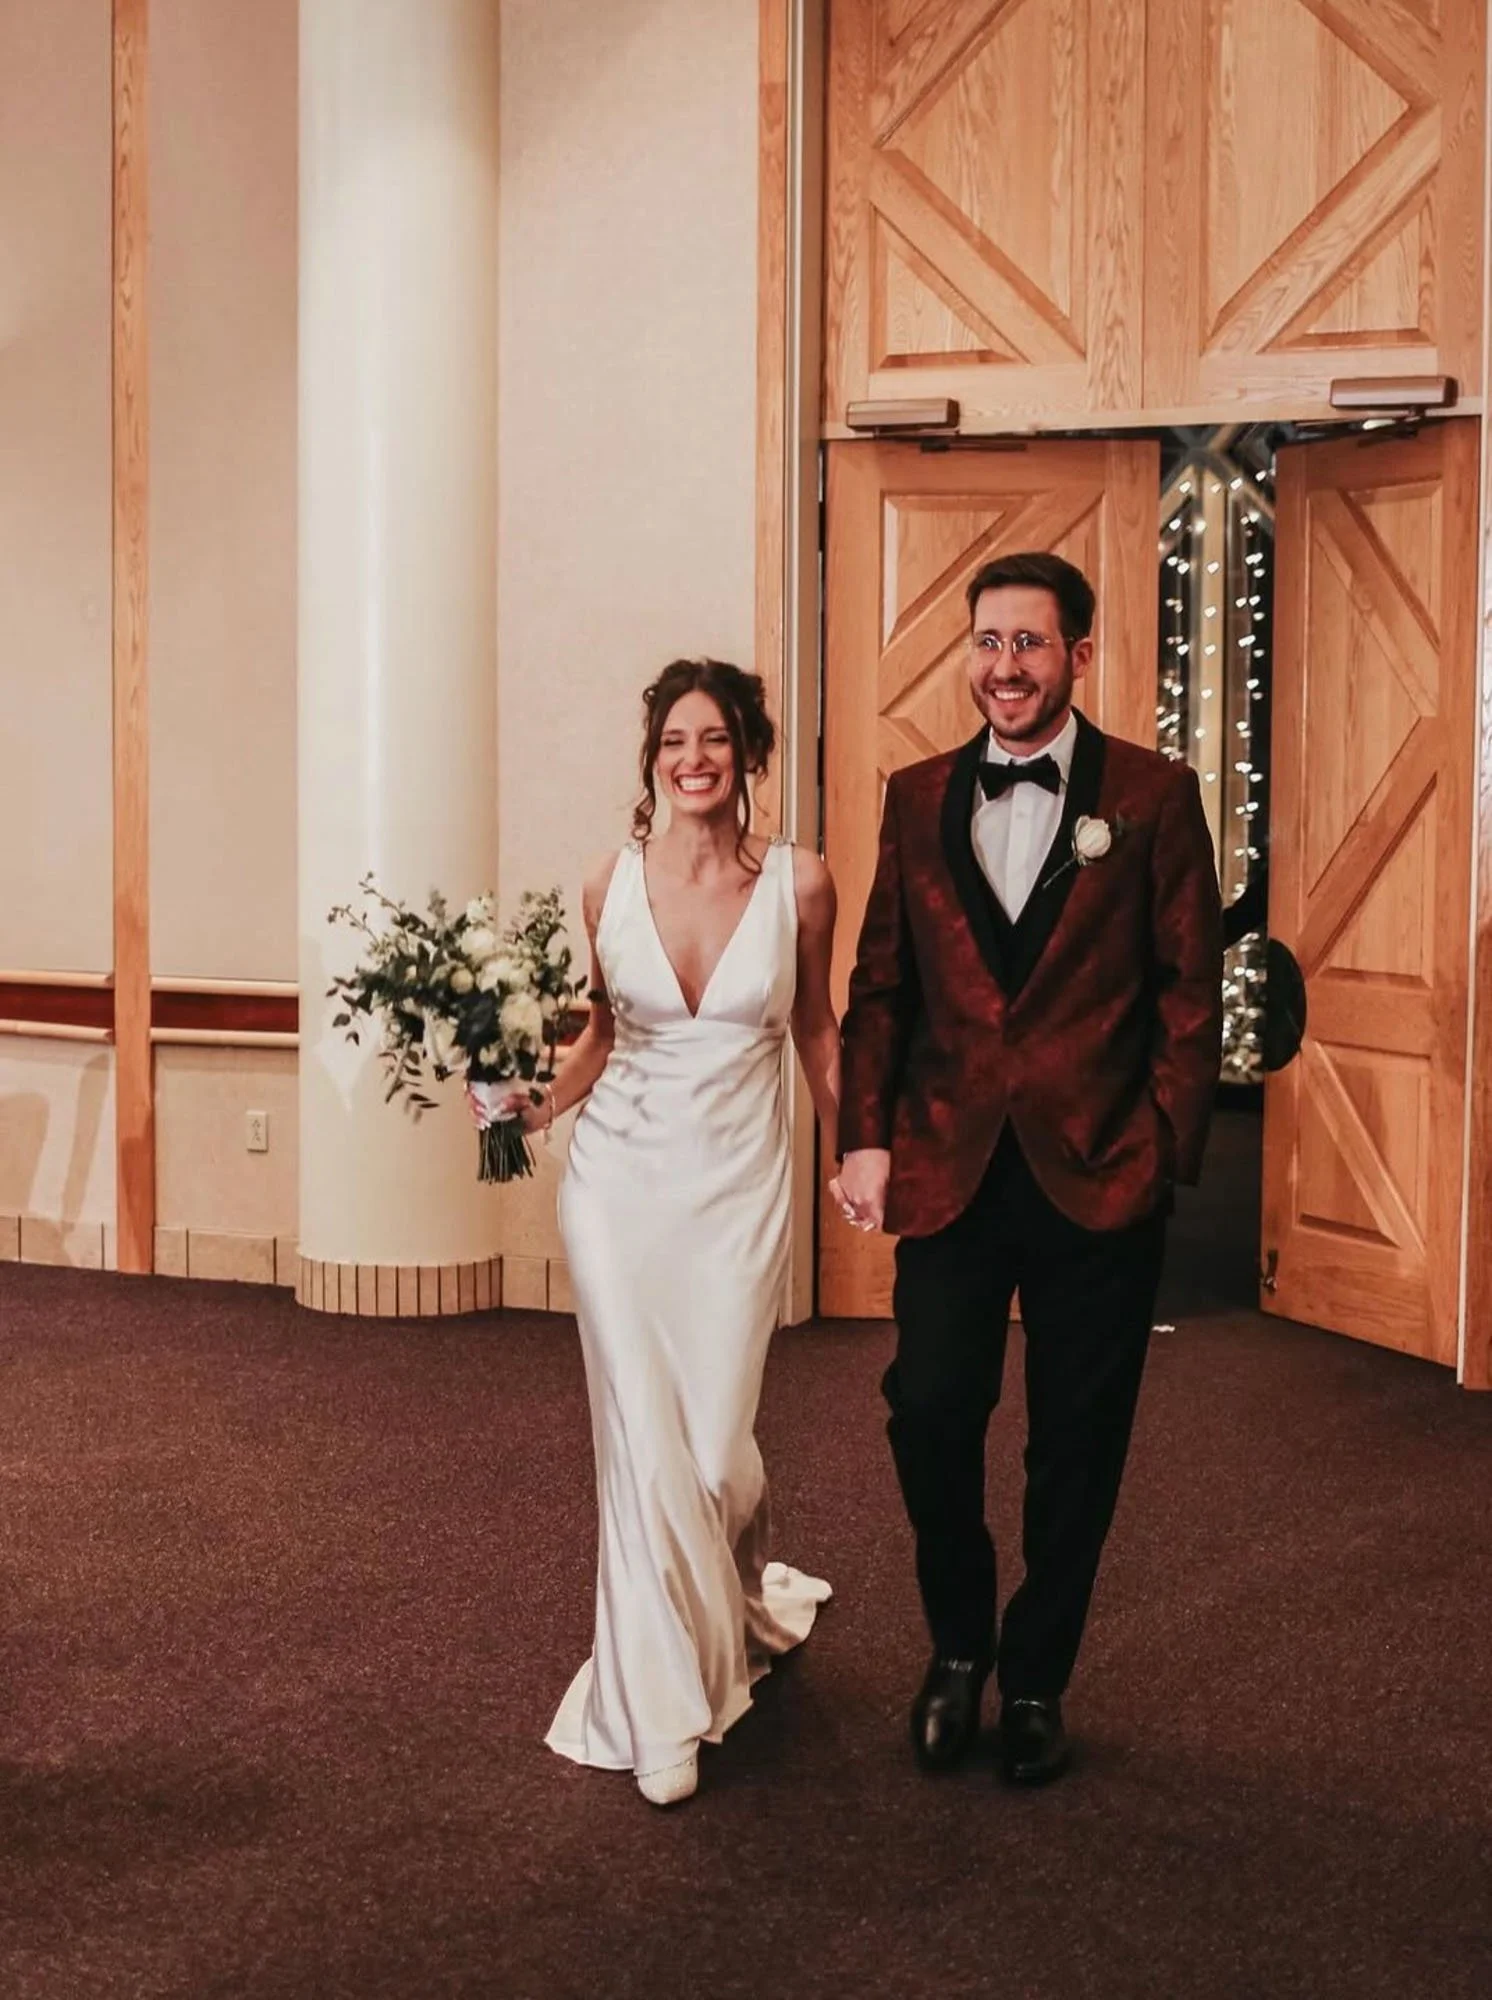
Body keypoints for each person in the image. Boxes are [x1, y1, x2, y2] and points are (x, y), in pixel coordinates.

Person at [833, 551, 1222, 1787]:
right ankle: (957, 1648)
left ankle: (1037, 1674)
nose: (1005, 667)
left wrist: (1163, 1143)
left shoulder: (1154, 796)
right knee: (931, 1408)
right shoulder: (914, 795)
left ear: (1079, 655)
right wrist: (866, 1134)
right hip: (948, 1162)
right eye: (988, 642)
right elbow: (879, 985)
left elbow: (1188, 988)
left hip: (1100, 1165)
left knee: (1078, 1440)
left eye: (1030, 644)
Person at [473, 659, 839, 1807]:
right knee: (641, 1444)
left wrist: (865, 1153)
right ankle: (656, 1708)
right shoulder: (604, 883)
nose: (694, 758)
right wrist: (535, 1103)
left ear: (747, 754)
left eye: (715, 739)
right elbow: (597, 1032)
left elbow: (819, 1032)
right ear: (651, 759)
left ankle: (732, 1595)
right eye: (675, 740)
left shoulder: (803, 883)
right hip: (616, 1188)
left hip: (736, 1190)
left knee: (716, 1446)